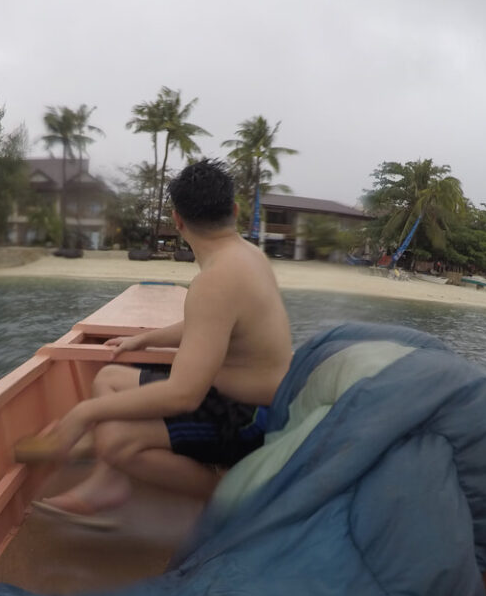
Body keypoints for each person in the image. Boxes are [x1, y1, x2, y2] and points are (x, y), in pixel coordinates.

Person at [35, 158, 293, 525]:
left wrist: (83, 413)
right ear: (234, 210)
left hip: (248, 416)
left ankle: (227, 498)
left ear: (177, 220)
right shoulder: (249, 256)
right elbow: (215, 324)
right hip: (245, 397)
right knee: (109, 379)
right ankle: (107, 484)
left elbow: (183, 395)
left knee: (114, 439)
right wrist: (147, 339)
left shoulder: (216, 280)